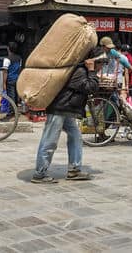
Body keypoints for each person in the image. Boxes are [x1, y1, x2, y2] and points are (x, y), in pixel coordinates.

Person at [32, 48, 100, 184]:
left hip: (67, 108)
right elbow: (90, 87)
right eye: (101, 64)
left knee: (75, 136)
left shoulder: (79, 70)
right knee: (50, 140)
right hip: (59, 108)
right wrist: (92, 71)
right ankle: (40, 173)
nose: (101, 68)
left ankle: (74, 169)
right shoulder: (79, 72)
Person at [1, 42, 22, 120]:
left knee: (11, 97)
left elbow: (5, 72)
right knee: (15, 97)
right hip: (17, 79)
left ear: (8, 49)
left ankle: (10, 114)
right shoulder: (19, 58)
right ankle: (15, 112)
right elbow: (19, 69)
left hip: (10, 80)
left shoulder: (7, 59)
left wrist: (3, 83)